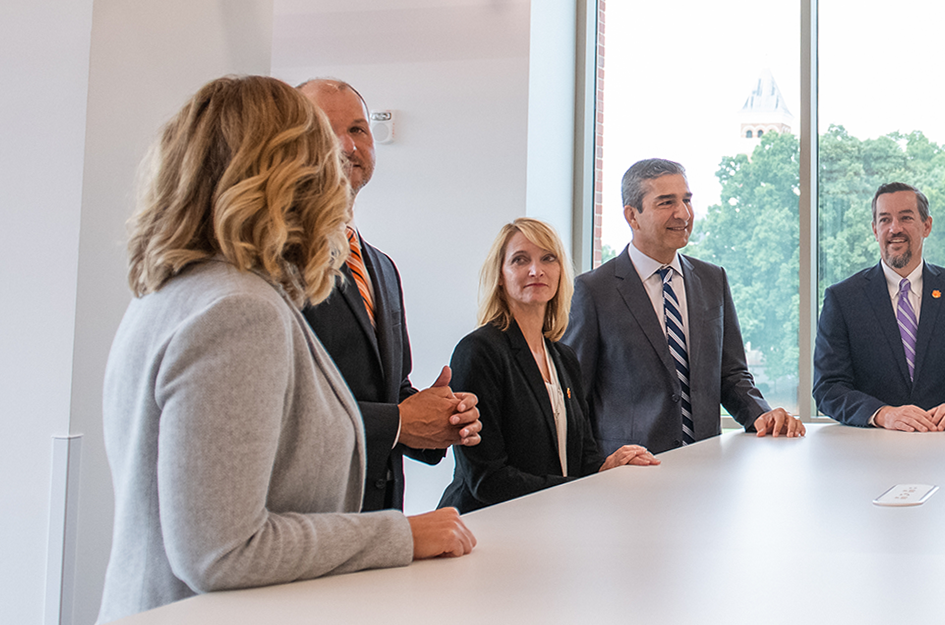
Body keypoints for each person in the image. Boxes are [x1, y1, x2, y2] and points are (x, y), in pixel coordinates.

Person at [100, 75, 475, 621]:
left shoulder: (184, 289)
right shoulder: (238, 309)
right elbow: (222, 551)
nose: (341, 161)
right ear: (285, 172)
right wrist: (402, 535)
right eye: (322, 149)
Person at [296, 78, 482, 511]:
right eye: (327, 130)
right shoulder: (277, 261)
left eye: (358, 130)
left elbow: (391, 391)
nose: (347, 145)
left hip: (379, 517)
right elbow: (286, 413)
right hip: (307, 521)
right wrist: (401, 421)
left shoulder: (380, 266)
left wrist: (438, 418)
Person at [564, 158, 805, 455]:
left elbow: (731, 374)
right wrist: (592, 467)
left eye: (686, 200)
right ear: (632, 216)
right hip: (628, 474)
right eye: (666, 203)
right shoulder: (592, 290)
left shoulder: (712, 279)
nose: (684, 214)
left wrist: (761, 415)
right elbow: (574, 395)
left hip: (704, 465)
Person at [439, 219, 660, 513]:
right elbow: (487, 480)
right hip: (484, 527)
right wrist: (579, 488)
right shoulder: (479, 351)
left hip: (550, 521)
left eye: (548, 258)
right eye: (520, 260)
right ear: (501, 275)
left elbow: (582, 458)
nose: (536, 270)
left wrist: (611, 465)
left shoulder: (564, 358)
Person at [813, 183, 945, 431]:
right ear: (875, 230)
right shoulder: (842, 299)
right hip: (870, 452)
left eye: (905, 217)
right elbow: (828, 386)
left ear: (926, 226)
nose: (895, 228)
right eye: (885, 220)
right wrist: (882, 414)